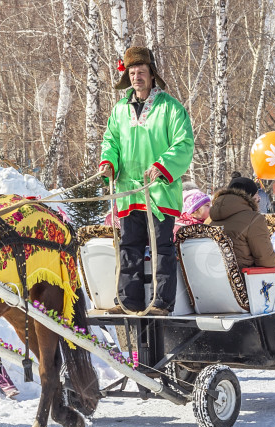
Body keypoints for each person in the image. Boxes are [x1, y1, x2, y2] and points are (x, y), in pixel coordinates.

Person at [97, 46, 194, 316]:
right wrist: (108, 162)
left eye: (141, 72)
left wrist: (162, 165)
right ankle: (129, 302)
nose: (137, 77)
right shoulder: (119, 110)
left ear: (151, 75)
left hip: (159, 190)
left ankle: (161, 304)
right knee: (129, 246)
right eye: (132, 72)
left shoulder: (171, 108)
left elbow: (184, 143)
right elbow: (111, 141)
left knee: (162, 249)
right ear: (127, 76)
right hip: (129, 189)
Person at [209, 175, 275, 269]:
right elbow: (267, 261)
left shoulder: (210, 219)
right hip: (243, 278)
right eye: (257, 193)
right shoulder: (254, 220)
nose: (259, 198)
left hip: (213, 273)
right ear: (250, 195)